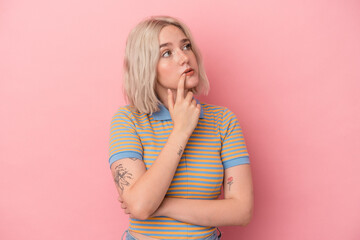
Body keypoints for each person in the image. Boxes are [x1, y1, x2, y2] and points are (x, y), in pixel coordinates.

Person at [108, 16, 253, 240]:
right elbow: (140, 206)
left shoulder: (223, 121)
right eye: (167, 53)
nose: (184, 57)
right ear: (146, 66)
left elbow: (242, 211)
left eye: (186, 46)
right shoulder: (127, 121)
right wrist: (181, 130)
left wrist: (162, 205)